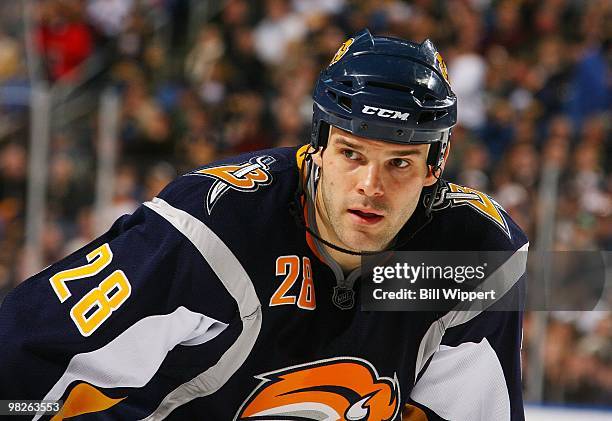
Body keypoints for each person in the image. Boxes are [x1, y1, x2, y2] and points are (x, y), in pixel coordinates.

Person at [0, 29, 528, 420]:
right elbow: (21, 367)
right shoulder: (219, 225)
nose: (372, 185)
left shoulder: (471, 258)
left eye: (400, 162)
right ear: (318, 145)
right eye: (351, 153)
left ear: (435, 167)